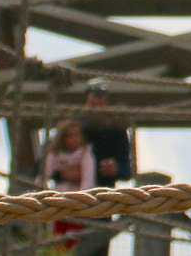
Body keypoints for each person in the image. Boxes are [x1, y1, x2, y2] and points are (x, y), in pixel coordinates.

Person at [72, 82, 132, 256]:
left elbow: (127, 172)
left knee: (96, 249)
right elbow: (47, 166)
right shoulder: (72, 131)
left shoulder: (116, 133)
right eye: (92, 106)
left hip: (102, 202)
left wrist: (115, 170)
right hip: (70, 199)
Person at [38, 120, 96, 250]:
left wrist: (82, 199)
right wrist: (39, 192)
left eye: (78, 135)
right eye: (70, 136)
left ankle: (68, 250)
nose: (75, 139)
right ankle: (58, 250)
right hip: (60, 200)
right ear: (62, 139)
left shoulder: (85, 153)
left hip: (78, 202)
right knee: (57, 235)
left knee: (73, 235)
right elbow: (44, 173)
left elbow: (88, 177)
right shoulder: (54, 154)